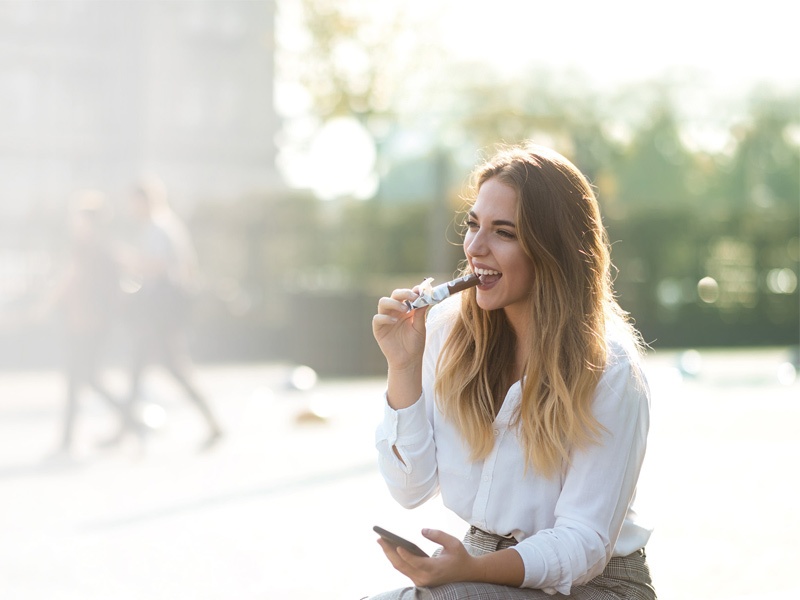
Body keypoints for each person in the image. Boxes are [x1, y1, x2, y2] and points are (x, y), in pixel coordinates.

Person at [369, 143, 656, 599]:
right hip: (478, 562)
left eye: (504, 232)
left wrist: (474, 569)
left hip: (596, 585)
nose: (476, 247)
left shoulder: (610, 368)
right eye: (473, 225)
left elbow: (584, 543)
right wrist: (402, 367)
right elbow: (410, 488)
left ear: (554, 249)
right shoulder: (445, 334)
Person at [111, 175, 223, 450]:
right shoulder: (166, 226)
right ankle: (125, 428)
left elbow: (158, 266)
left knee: (171, 368)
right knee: (142, 367)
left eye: (134, 202)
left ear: (145, 201)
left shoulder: (158, 228)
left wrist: (129, 261)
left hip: (160, 313)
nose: (131, 209)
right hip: (161, 312)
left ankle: (213, 424)